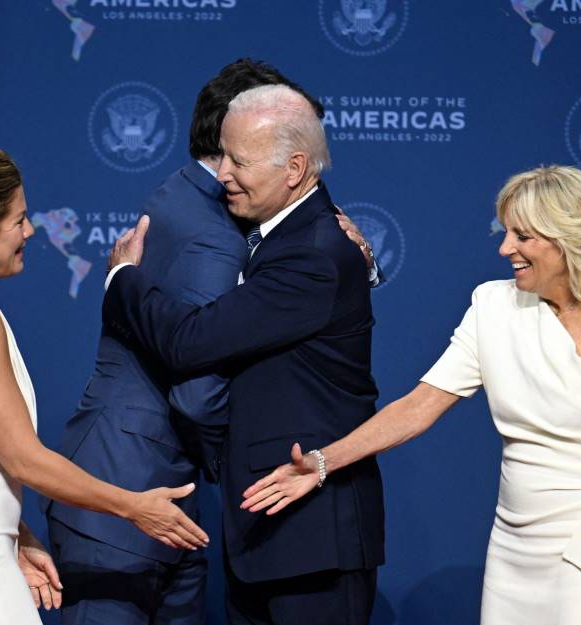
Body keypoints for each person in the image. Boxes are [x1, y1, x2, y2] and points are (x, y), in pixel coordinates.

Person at [241, 165, 581, 625]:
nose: (506, 248)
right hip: (515, 549)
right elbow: (420, 405)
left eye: (523, 237)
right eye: (507, 233)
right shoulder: (493, 306)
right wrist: (323, 462)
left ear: (566, 239)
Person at [45, 60, 381, 625]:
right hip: (137, 494)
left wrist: (363, 264)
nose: (225, 171)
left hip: (230, 512)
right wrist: (118, 281)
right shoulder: (220, 228)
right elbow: (197, 380)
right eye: (226, 153)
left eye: (240, 159)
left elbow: (312, 250)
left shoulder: (209, 205)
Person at [0, 145, 209, 625]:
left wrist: (17, 534)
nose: (30, 231)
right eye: (18, 220)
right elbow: (22, 458)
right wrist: (135, 507)